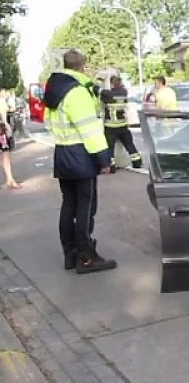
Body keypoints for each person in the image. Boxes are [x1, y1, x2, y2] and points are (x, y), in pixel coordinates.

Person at [44, 49, 117, 274]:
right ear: (82, 67)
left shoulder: (56, 89)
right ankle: (86, 257)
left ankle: (70, 254)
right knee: (86, 205)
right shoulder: (77, 92)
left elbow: (50, 122)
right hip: (80, 155)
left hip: (62, 152)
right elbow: (89, 129)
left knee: (68, 204)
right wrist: (104, 159)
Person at [100, 76, 142, 172]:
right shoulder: (124, 92)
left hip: (111, 126)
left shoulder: (108, 94)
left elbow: (98, 91)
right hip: (123, 125)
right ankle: (137, 162)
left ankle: (111, 166)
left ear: (112, 84)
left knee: (110, 148)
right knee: (129, 145)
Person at [0, 91, 21, 189]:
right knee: (5, 154)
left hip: (1, 129)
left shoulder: (1, 101)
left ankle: (10, 179)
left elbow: (3, 114)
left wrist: (6, 126)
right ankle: (10, 179)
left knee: (6, 154)